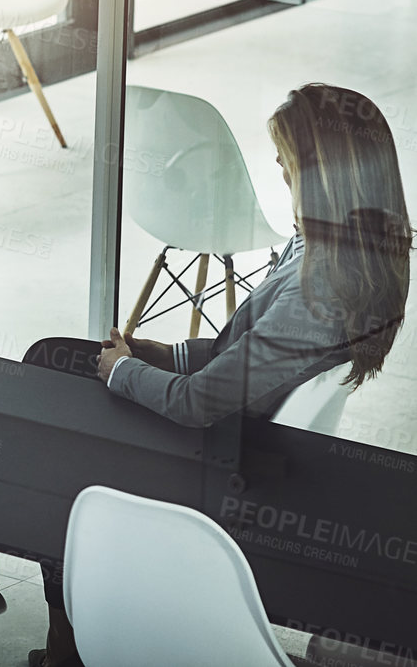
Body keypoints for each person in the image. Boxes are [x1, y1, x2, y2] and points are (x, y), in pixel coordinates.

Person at [24, 82, 410, 667]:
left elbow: (198, 404)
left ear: (324, 173)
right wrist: (166, 354)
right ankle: (60, 637)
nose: (280, 180)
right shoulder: (340, 255)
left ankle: (64, 643)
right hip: (239, 436)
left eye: (288, 168)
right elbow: (250, 358)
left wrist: (123, 370)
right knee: (52, 358)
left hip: (212, 456)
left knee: (54, 430)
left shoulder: (320, 286)